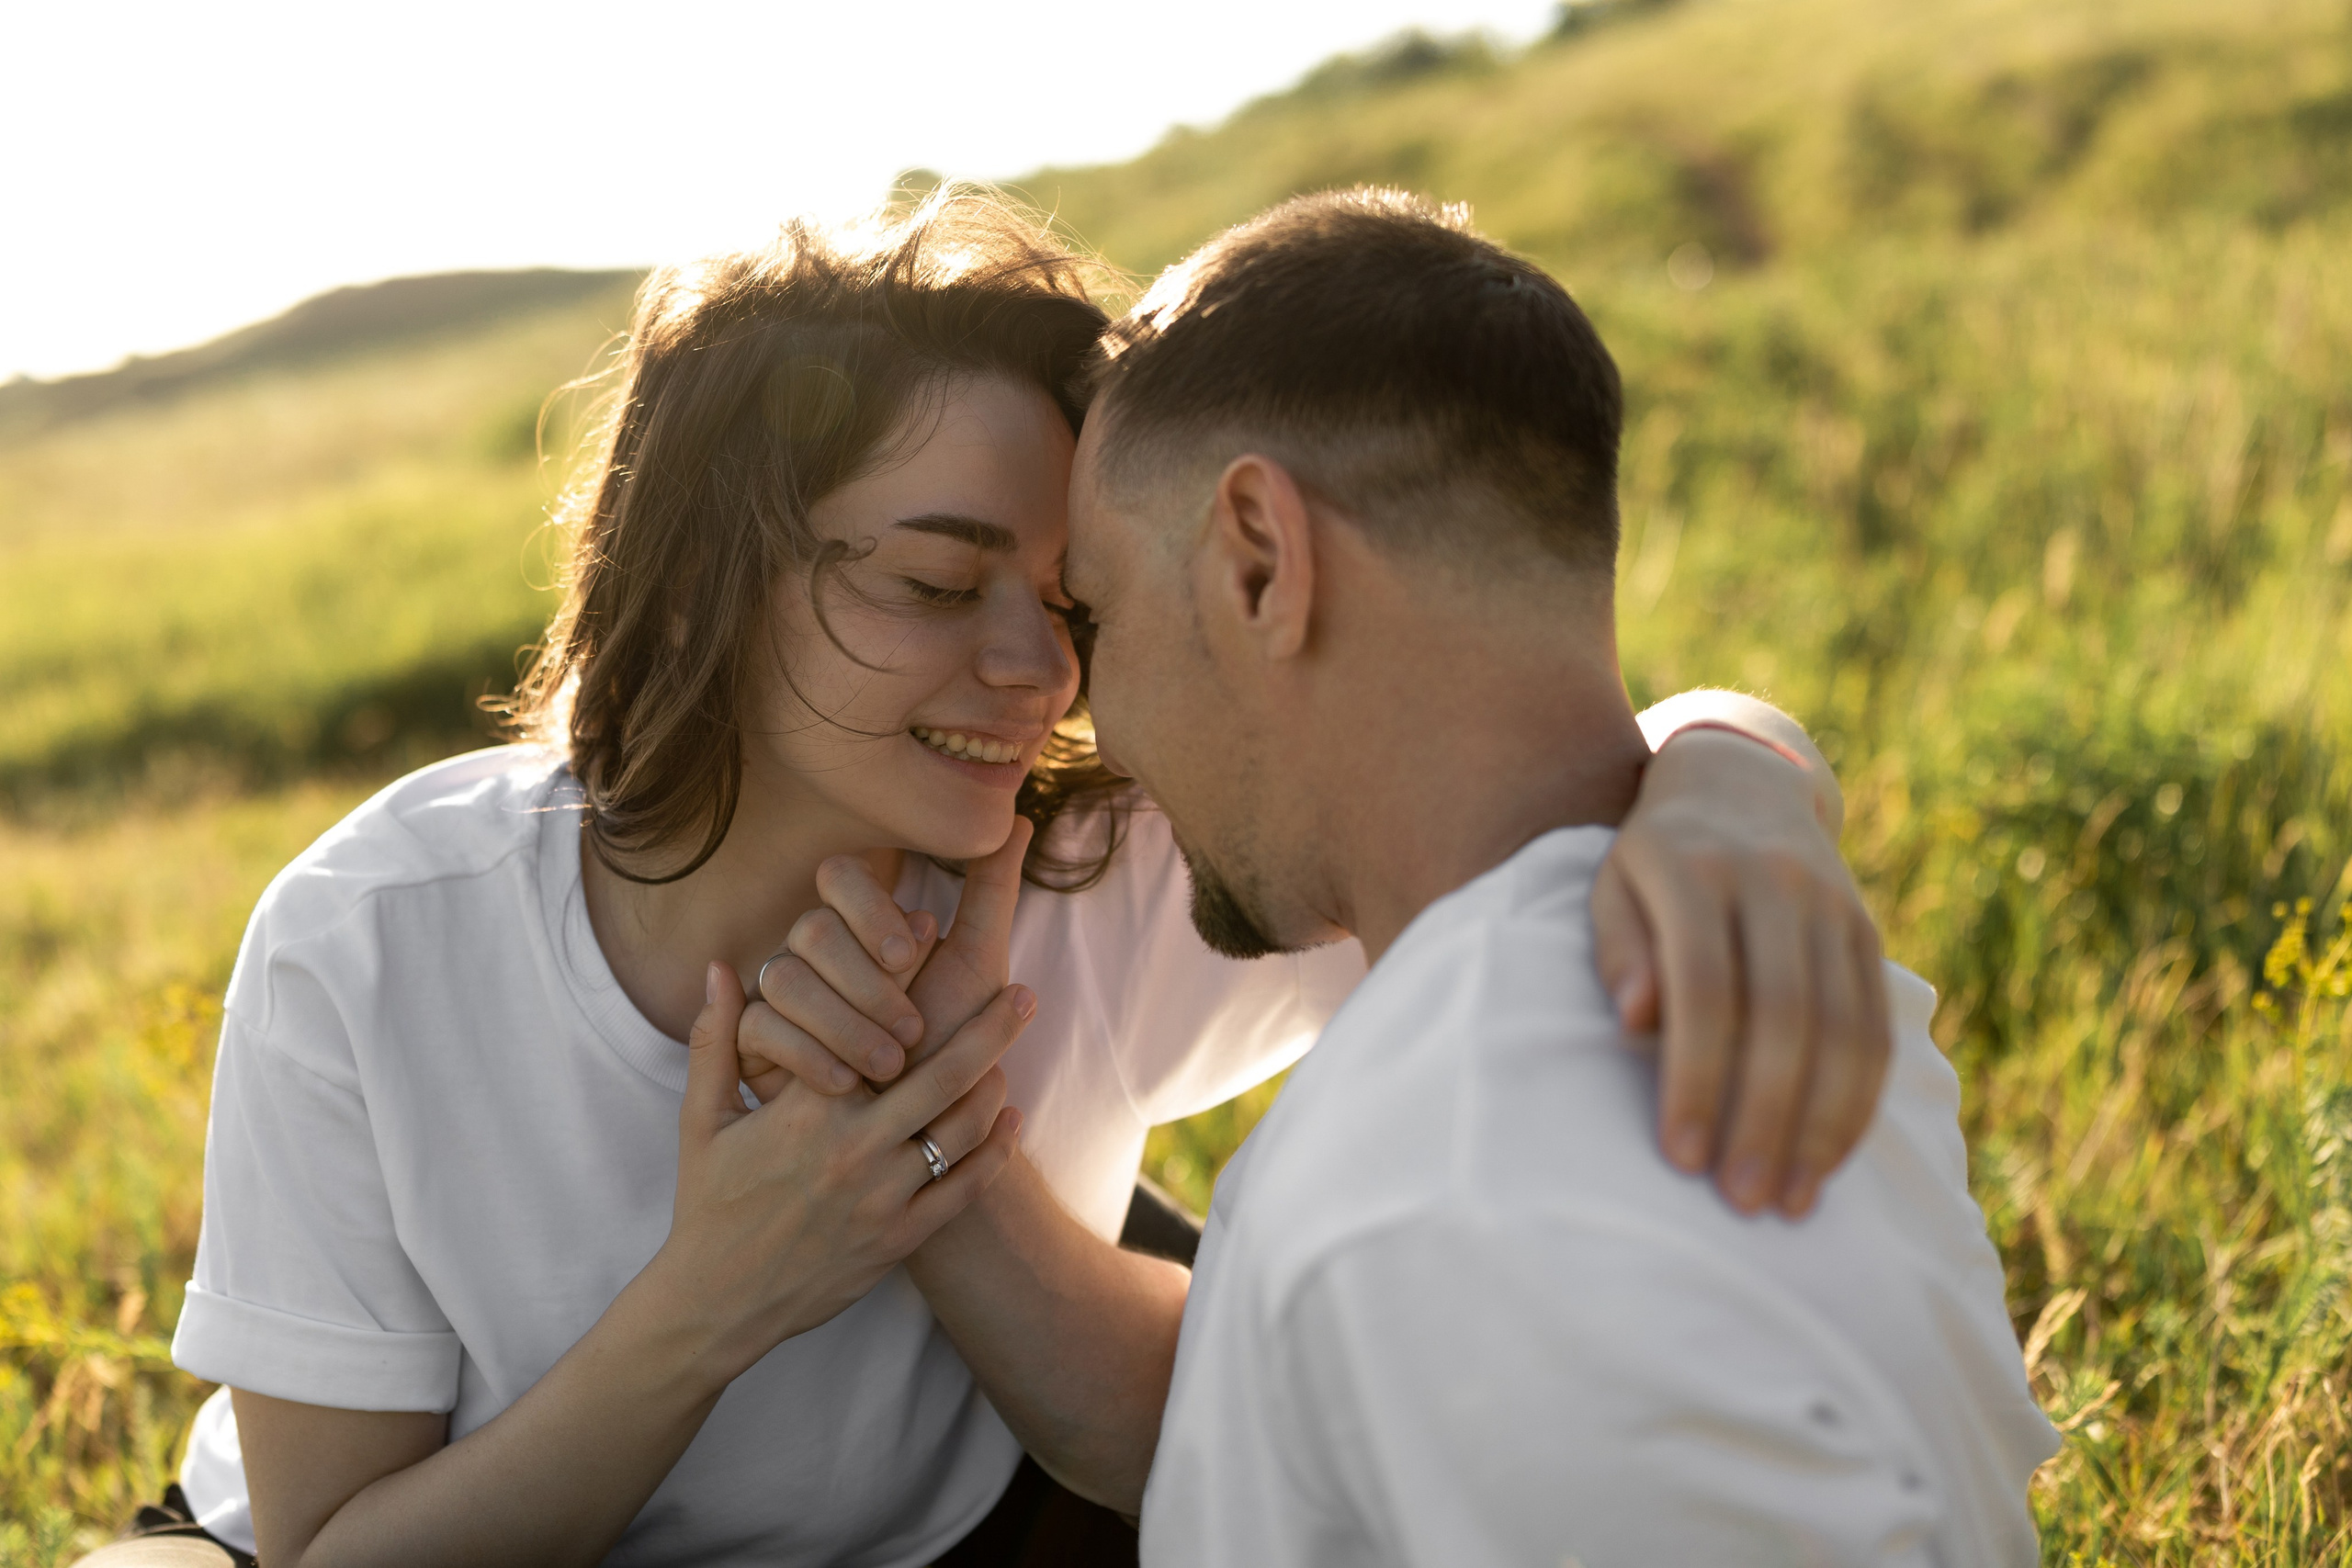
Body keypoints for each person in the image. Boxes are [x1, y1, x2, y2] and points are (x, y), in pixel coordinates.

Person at [96, 194, 1886, 1568]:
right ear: (708, 581)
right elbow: (331, 1549)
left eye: (1070, 600)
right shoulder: (379, 941)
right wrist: (718, 1291)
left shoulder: (1116, 851)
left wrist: (1731, 780)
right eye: (937, 588)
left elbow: (1525, 755)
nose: (1035, 677)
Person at [1052, 189, 2062, 1566]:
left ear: (1257, 563)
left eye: (1096, 612)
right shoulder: (1830, 996)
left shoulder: (1449, 1184)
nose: (1098, 724)